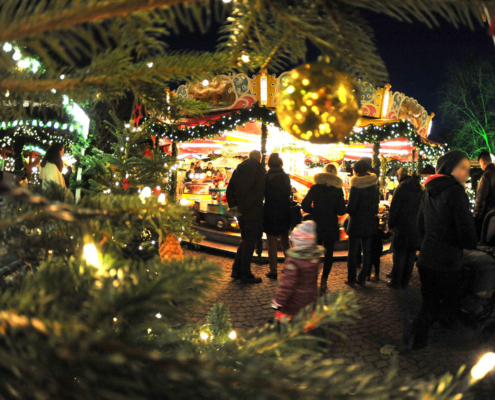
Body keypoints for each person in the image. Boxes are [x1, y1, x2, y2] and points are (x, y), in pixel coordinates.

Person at [409, 151, 477, 350]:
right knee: (449, 299)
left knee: (428, 300)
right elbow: (466, 230)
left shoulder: (429, 190)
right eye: (463, 168)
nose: (466, 173)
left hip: (427, 257)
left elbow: (420, 225)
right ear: (449, 168)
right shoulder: (456, 192)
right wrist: (471, 243)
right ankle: (448, 343)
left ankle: (419, 335)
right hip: (448, 260)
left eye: (468, 169)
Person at [301, 163, 346, 293]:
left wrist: (314, 211)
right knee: (329, 253)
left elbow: (305, 205)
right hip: (331, 224)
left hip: (317, 223)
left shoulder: (315, 187)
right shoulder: (337, 190)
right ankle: (324, 280)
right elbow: (341, 211)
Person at [270, 221, 325, 320]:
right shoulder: (315, 258)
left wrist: (278, 302)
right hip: (309, 301)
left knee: (289, 327)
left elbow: (287, 285)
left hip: (293, 304)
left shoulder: (293, 261)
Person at [226, 150, 266, 284]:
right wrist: (246, 209)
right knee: (249, 243)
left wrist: (236, 210)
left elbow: (229, 191)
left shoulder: (238, 170)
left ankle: (236, 270)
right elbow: (257, 194)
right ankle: (245, 274)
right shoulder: (259, 171)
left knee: (245, 241)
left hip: (241, 213)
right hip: (252, 212)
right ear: (259, 158)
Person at [387, 167, 423, 289]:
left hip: (402, 226)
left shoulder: (401, 188)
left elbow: (394, 208)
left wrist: (391, 224)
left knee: (400, 255)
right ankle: (405, 282)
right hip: (416, 226)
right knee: (410, 255)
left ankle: (396, 282)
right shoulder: (419, 188)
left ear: (399, 176)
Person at [346, 159, 379, 287]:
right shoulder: (374, 184)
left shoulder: (356, 185)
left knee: (353, 252)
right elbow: (375, 204)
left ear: (355, 170)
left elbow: (351, 208)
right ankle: (363, 277)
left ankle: (351, 279)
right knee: (367, 252)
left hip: (356, 223)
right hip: (369, 221)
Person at [263, 153, 292, 280]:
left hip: (270, 211)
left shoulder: (267, 177)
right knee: (285, 241)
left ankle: (273, 270)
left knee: (272, 242)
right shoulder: (285, 177)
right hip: (284, 210)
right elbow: (289, 192)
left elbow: (263, 194)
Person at [474, 151, 495, 238]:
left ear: (482, 162)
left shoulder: (486, 176)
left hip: (487, 218)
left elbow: (480, 200)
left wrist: (476, 218)